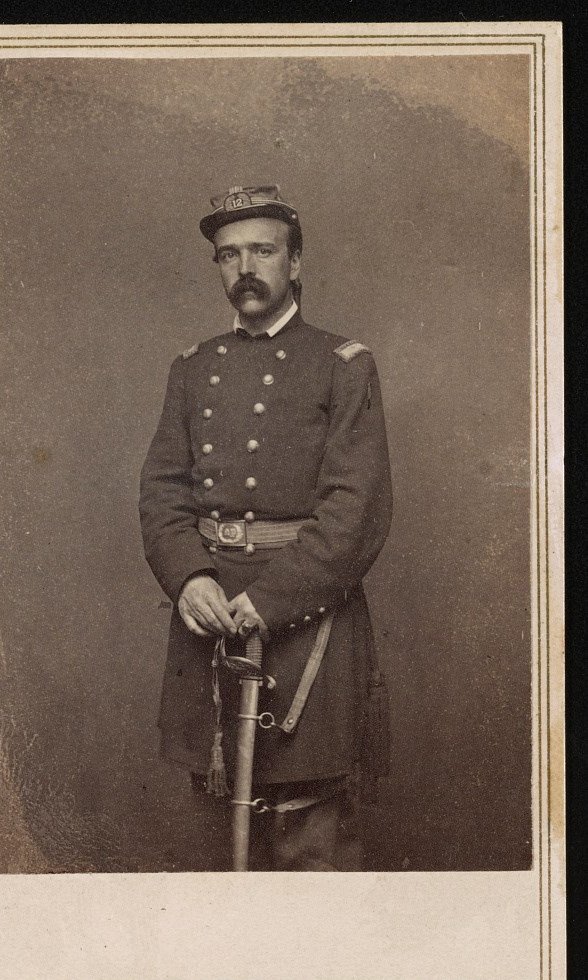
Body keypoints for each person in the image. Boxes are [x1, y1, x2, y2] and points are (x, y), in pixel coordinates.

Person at [139, 184, 392, 870]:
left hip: (306, 624)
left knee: (310, 849)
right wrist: (189, 578)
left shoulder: (344, 364)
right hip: (210, 620)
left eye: (262, 250)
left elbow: (357, 508)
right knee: (212, 852)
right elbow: (163, 491)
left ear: (296, 264)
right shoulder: (191, 369)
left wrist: (269, 602)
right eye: (229, 255)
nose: (244, 267)